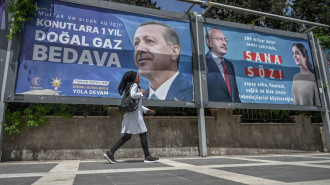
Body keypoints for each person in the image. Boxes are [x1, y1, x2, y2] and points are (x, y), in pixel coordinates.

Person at [103, 70, 159, 163]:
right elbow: (133, 96)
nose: (140, 78)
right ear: (133, 78)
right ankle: (147, 156)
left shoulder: (128, 87)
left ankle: (110, 153)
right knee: (143, 133)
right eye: (138, 77)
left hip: (130, 115)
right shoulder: (134, 85)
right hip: (135, 116)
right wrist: (142, 93)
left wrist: (145, 110)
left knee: (127, 136)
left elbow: (135, 103)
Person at [134, 21, 193, 101]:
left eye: (149, 41)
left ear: (174, 52)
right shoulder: (138, 99)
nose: (139, 49)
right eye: (136, 43)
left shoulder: (193, 93)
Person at [205, 28, 241, 102]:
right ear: (209, 42)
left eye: (225, 40)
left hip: (231, 111)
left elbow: (235, 95)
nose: (224, 43)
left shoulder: (229, 65)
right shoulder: (203, 62)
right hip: (211, 111)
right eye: (220, 39)